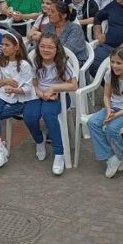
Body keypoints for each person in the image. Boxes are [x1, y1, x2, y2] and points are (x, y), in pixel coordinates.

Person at [25, 33, 79, 175]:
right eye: (42, 46)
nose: (46, 50)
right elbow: (33, 83)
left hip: (58, 97)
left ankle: (59, 153)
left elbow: (73, 85)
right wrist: (41, 93)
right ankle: (39, 140)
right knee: (29, 115)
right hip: (39, 95)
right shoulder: (35, 62)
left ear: (57, 49)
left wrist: (54, 88)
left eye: (50, 47)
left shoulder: (62, 63)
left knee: (48, 114)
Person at [88, 47, 123, 178]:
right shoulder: (109, 75)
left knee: (111, 128)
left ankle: (120, 154)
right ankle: (112, 156)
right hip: (111, 108)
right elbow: (106, 96)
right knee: (92, 122)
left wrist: (115, 115)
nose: (114, 65)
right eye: (112, 62)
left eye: (119, 63)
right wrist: (108, 110)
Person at [0, 31, 33, 170]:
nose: (3, 47)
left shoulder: (24, 65)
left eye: (7, 45)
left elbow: (28, 88)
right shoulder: (2, 63)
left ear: (16, 47)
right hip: (4, 95)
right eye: (2, 45)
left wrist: (15, 90)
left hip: (20, 97)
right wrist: (5, 81)